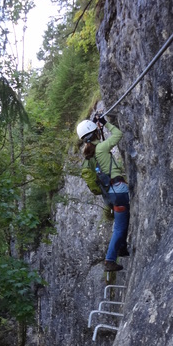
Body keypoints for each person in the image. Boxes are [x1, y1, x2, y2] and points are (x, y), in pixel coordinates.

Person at [77, 115, 130, 272]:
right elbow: (118, 135)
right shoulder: (101, 148)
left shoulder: (92, 154)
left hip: (112, 193)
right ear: (94, 134)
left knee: (122, 222)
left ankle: (122, 248)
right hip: (119, 190)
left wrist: (95, 125)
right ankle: (110, 260)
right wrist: (106, 123)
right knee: (120, 227)